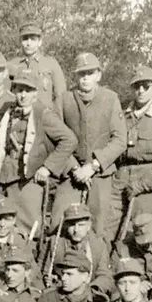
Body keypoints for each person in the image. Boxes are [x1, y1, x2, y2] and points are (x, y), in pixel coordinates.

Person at [51, 53, 126, 235]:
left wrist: (93, 166)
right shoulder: (63, 99)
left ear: (98, 75)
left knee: (98, 227)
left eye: (90, 73)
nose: (85, 78)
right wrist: (74, 168)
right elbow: (54, 137)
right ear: (75, 76)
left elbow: (120, 140)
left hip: (100, 173)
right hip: (71, 173)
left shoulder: (110, 99)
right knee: (60, 222)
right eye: (81, 74)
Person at [0, 69, 77, 233]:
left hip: (29, 179)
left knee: (27, 227)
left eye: (28, 90)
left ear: (35, 93)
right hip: (7, 177)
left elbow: (70, 140)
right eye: (19, 90)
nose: (23, 95)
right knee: (6, 224)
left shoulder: (43, 114)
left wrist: (47, 167)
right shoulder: (9, 113)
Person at [106, 66, 152, 240]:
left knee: (142, 232)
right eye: (137, 86)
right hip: (120, 178)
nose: (141, 90)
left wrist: (141, 185)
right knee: (107, 229)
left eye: (146, 86)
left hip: (149, 183)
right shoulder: (122, 112)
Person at [41, 203, 114, 296]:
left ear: (89, 226)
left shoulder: (98, 245)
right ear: (65, 226)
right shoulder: (54, 243)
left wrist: (89, 290)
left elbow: (105, 276)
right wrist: (49, 279)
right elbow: (41, 272)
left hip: (89, 295)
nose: (76, 230)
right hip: (59, 293)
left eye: (81, 225)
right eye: (72, 225)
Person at [8, 22, 66, 108]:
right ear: (20, 41)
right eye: (25, 39)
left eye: (33, 39)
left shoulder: (51, 64)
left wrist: (55, 115)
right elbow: (7, 95)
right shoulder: (13, 65)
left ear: (40, 42)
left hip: (44, 114)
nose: (28, 43)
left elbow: (61, 96)